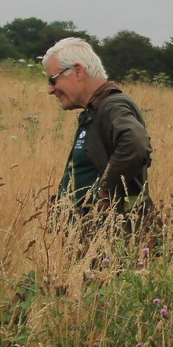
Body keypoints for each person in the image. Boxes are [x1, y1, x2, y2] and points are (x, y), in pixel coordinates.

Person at [42, 38, 154, 228]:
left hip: (113, 241)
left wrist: (105, 192)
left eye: (53, 80)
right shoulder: (95, 110)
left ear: (78, 71)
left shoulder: (112, 106)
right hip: (92, 238)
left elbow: (136, 143)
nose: (50, 90)